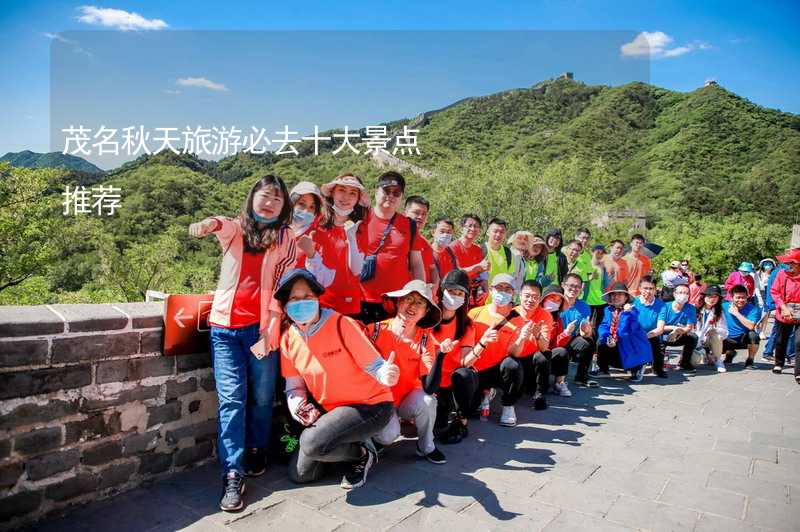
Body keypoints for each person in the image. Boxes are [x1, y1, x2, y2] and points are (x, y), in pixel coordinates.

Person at [188, 175, 297, 511]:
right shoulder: (237, 230)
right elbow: (221, 224)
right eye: (265, 196)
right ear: (252, 198)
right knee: (232, 400)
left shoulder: (285, 238)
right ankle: (233, 473)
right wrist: (207, 224)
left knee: (263, 398)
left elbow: (285, 284)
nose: (269, 203)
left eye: (277, 199)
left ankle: (256, 448)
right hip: (224, 330)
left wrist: (272, 325)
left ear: (283, 207)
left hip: (262, 329)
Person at [275, 269, 395, 489]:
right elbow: (294, 387)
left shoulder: (341, 324)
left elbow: (375, 366)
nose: (301, 303)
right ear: (285, 305)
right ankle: (342, 441)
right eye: (294, 298)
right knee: (301, 474)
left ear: (318, 299)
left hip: (370, 406)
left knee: (311, 444)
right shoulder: (288, 340)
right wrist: (299, 407)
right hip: (331, 412)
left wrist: (385, 374)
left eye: (308, 297)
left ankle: (362, 453)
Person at [369, 280, 449, 464]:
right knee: (388, 436)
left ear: (426, 311)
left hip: (406, 400)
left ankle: (427, 446)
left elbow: (429, 387)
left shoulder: (425, 339)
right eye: (408, 299)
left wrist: (441, 355)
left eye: (420, 302)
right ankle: (374, 436)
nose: (412, 305)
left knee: (429, 401)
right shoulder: (374, 330)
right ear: (398, 301)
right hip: (378, 401)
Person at [356, 171, 425, 323]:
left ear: (401, 197)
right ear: (376, 191)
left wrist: (421, 294)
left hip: (395, 300)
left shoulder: (409, 225)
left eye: (396, 193)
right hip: (360, 298)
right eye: (386, 191)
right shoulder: (359, 218)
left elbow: (416, 264)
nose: (391, 196)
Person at [299, 174, 368, 317]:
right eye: (342, 190)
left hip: (348, 305)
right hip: (316, 303)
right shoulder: (316, 221)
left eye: (353, 193)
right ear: (332, 192)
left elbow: (356, 270)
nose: (346, 197)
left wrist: (352, 239)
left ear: (358, 199)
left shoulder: (361, 227)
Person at [430, 269, 486, 444]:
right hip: (431, 380)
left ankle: (461, 422)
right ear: (442, 292)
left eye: (460, 293)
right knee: (437, 423)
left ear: (465, 297)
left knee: (464, 374)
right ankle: (442, 407)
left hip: (454, 380)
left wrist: (482, 344)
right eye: (451, 291)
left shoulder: (467, 325)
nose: (455, 296)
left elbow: (464, 362)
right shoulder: (428, 318)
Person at [466, 273, 528, 426]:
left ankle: (508, 406)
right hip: (475, 367)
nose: (503, 292)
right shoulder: (475, 313)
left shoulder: (519, 320)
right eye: (499, 288)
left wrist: (522, 338)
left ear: (513, 293)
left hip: (498, 370)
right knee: (469, 409)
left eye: (507, 289)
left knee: (513, 365)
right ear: (491, 290)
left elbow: (514, 353)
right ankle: (485, 392)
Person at [596, 281, 653, 382]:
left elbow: (623, 332)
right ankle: (603, 369)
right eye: (613, 294)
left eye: (619, 294)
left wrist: (626, 314)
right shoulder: (608, 310)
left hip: (631, 349)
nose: (615, 297)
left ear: (626, 298)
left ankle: (637, 368)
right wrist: (607, 337)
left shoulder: (633, 312)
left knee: (628, 349)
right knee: (601, 341)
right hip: (617, 346)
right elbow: (604, 325)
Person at [511, 280, 554, 409]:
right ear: (520, 295)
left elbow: (544, 347)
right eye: (527, 296)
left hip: (533, 360)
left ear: (540, 298)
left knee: (543, 356)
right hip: (516, 357)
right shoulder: (511, 313)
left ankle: (540, 393)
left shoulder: (545, 315)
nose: (531, 300)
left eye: (535, 297)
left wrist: (538, 335)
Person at [558, 273, 598, 387]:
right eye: (571, 285)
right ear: (563, 285)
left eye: (577, 287)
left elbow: (585, 329)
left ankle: (581, 377)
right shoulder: (556, 301)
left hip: (571, 340)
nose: (574, 289)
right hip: (555, 340)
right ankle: (558, 379)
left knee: (590, 339)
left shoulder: (584, 306)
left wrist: (587, 332)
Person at [770, 248, 800, 382]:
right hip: (784, 310)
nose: (790, 265)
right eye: (789, 263)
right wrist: (783, 307)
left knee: (799, 342)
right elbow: (775, 291)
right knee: (782, 339)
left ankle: (798, 371)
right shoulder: (782, 274)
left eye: (793, 262)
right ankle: (778, 363)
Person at [540, 285, 574, 396]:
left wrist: (566, 333)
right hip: (532, 353)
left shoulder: (557, 318)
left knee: (562, 352)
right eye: (552, 298)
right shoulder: (534, 313)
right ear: (544, 298)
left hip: (548, 352)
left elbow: (557, 344)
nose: (554, 302)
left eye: (558, 300)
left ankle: (559, 382)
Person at [450, 214, 489, 306]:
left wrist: (486, 291)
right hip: (457, 292)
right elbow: (456, 273)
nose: (473, 229)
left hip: (475, 295)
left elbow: (483, 275)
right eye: (469, 225)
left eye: (476, 226)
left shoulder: (478, 250)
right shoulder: (452, 247)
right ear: (462, 228)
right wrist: (477, 267)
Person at [633, 276, 667, 378]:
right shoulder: (633, 302)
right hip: (634, 334)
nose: (648, 291)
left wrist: (645, 336)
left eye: (651, 288)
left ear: (655, 290)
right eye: (645, 288)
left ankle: (657, 369)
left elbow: (660, 329)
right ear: (640, 288)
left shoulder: (661, 305)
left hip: (651, 335)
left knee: (657, 345)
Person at [661, 283, 699, 373]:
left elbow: (688, 328)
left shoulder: (691, 308)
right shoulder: (664, 307)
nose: (683, 295)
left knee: (693, 337)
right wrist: (674, 328)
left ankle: (685, 362)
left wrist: (678, 331)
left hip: (679, 335)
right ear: (674, 294)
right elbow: (659, 326)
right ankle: (659, 359)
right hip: (663, 335)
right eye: (680, 292)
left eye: (686, 293)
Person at [722, 284, 762, 368]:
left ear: (747, 297)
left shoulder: (753, 309)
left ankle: (750, 360)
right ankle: (729, 353)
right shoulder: (724, 307)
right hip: (726, 338)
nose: (740, 300)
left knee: (754, 336)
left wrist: (736, 313)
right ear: (732, 297)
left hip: (742, 339)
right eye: (738, 297)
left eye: (743, 297)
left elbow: (751, 326)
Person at [404, 195, 439, 293]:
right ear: (405, 211)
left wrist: (435, 286)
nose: (420, 217)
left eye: (424, 214)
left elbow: (433, 269)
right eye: (416, 212)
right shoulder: (396, 237)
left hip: (419, 295)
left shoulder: (425, 244)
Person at [483, 217, 524, 292]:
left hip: (502, 299)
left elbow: (510, 278)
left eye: (502, 232)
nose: (498, 235)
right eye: (495, 231)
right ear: (488, 232)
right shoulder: (481, 251)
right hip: (482, 300)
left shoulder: (508, 253)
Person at [695, 285, 729, 373]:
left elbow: (725, 331)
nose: (712, 299)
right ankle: (706, 355)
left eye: (715, 297)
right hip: (695, 341)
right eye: (709, 296)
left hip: (709, 339)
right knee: (693, 362)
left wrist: (716, 330)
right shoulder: (695, 309)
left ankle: (718, 361)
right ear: (704, 297)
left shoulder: (719, 312)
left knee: (717, 335)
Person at [584, 244, 611, 334]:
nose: (600, 255)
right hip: (588, 301)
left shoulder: (604, 268)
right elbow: (580, 280)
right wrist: (590, 278)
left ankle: (597, 344)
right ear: (592, 252)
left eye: (602, 253)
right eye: (598, 252)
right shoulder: (586, 265)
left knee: (599, 326)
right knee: (586, 325)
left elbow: (606, 284)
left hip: (601, 301)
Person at [431, 217, 458, 282]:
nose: (445, 235)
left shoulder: (451, 253)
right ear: (433, 232)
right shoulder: (427, 253)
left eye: (449, 232)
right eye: (442, 231)